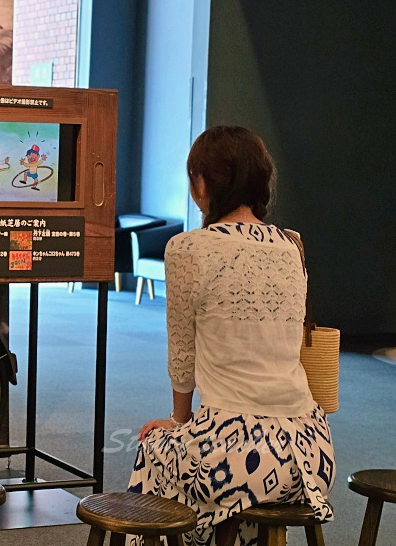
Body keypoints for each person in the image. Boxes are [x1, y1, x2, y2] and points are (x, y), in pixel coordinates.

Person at [129, 126, 334, 546]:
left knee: (152, 454)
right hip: (311, 454)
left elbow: (182, 360)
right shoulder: (292, 245)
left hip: (237, 456)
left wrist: (177, 422)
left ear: (203, 182)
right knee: (228, 487)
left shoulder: (188, 249)